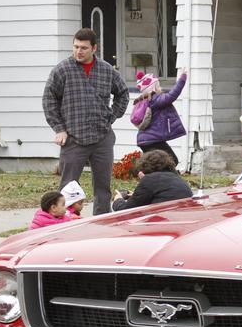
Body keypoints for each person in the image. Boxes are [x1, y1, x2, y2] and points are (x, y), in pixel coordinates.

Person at [42, 28, 129, 215]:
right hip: (73, 137)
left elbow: (122, 93)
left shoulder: (107, 70)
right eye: (75, 47)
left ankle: (100, 224)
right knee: (67, 188)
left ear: (94, 48)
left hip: (102, 137)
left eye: (83, 48)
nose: (78, 51)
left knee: (103, 188)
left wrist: (111, 116)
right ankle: (66, 223)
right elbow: (49, 100)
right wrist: (59, 128)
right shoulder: (62, 70)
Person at [129, 70, 187, 164]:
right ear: (153, 88)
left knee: (157, 164)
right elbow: (172, 95)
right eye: (158, 85)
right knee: (172, 161)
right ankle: (151, 175)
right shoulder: (155, 99)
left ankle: (146, 175)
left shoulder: (143, 101)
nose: (160, 87)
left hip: (145, 141)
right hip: (153, 141)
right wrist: (183, 78)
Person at [111, 149, 192, 211]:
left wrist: (117, 200)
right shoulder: (178, 179)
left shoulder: (149, 180)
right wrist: (136, 196)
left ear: (145, 165)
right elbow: (163, 196)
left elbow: (127, 211)